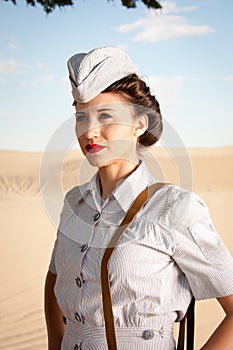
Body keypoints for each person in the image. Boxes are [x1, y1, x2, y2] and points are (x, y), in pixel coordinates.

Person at [44, 46, 233, 350]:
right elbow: (54, 283)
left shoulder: (174, 208)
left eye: (105, 115)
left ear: (139, 124)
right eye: (81, 117)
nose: (90, 131)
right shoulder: (73, 205)